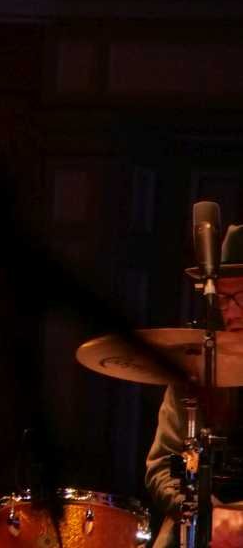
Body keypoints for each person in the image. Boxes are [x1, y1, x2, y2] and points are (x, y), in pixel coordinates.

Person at [146, 224, 243, 548]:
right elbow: (161, 467)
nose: (231, 311)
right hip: (200, 528)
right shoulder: (198, 365)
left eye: (241, 297)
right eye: (224, 298)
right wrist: (205, 512)